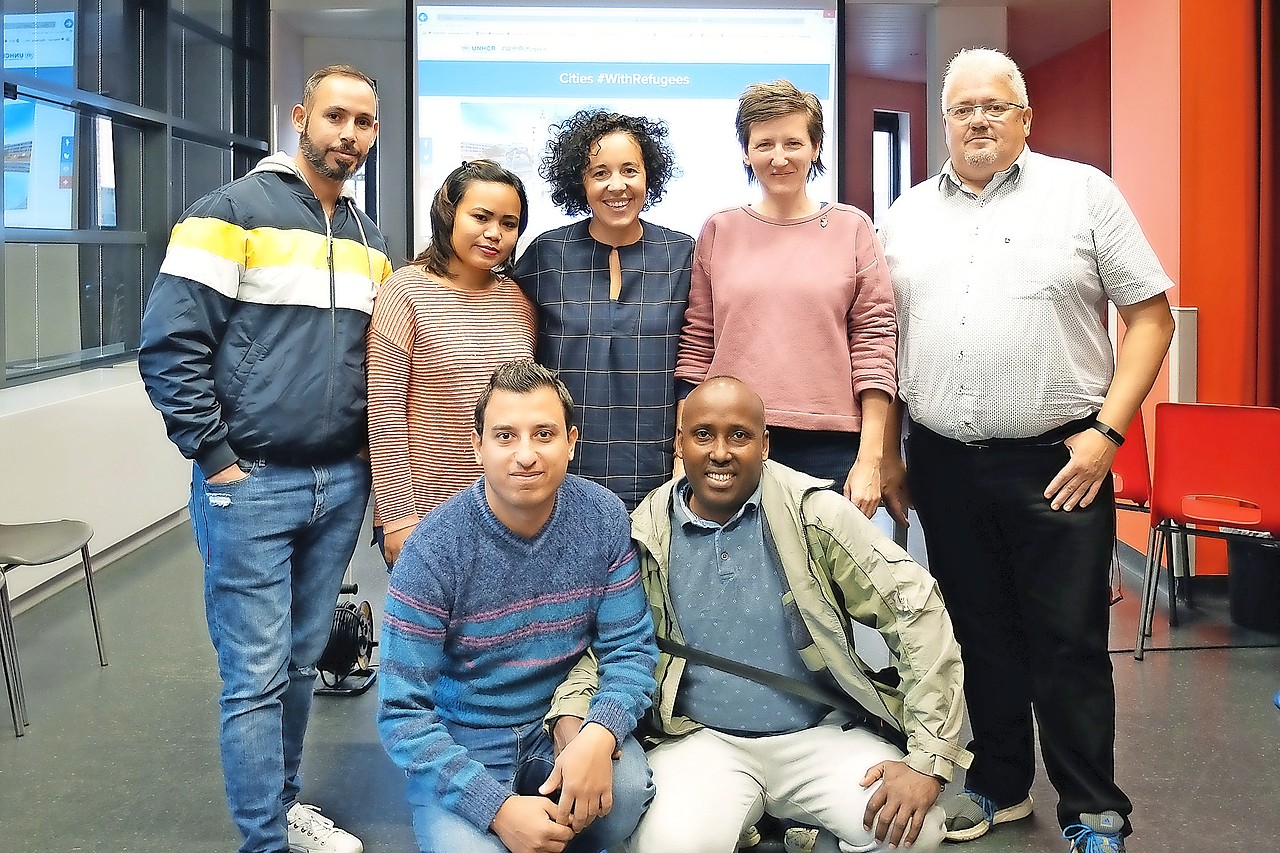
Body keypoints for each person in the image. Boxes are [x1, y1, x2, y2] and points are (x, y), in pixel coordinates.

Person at [879, 48, 1176, 853]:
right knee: (978, 633)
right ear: (945, 123)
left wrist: (1107, 434)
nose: (978, 119)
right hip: (942, 458)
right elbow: (884, 340)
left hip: (1061, 461)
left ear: (1025, 118)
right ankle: (1001, 785)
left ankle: (1092, 808)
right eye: (963, 108)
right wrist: (896, 450)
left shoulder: (1083, 193)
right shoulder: (904, 215)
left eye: (995, 106)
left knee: (1070, 639)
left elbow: (1152, 317)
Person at [551, 376, 972, 853]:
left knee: (913, 834)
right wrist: (572, 714)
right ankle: (757, 827)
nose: (720, 452)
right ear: (679, 442)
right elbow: (604, 641)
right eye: (703, 434)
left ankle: (801, 830)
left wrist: (927, 762)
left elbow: (914, 609)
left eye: (740, 435)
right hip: (701, 743)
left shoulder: (811, 512)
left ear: (765, 443)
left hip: (819, 736)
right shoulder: (643, 534)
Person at [138, 65, 391, 853]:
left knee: (300, 662)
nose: (348, 135)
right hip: (250, 482)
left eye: (364, 123)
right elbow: (168, 345)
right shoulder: (230, 213)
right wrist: (216, 457)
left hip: (338, 483)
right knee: (253, 677)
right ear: (299, 118)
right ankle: (263, 843)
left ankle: (281, 807)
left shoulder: (368, 238)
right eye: (335, 117)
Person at [377, 360, 659, 853]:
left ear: (572, 442)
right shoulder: (434, 549)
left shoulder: (603, 517)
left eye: (544, 434)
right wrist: (498, 810)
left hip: (559, 721)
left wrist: (600, 731)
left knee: (627, 796)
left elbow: (630, 650)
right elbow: (402, 713)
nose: (525, 455)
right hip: (465, 741)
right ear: (478, 444)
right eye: (505, 435)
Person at [675, 80, 896, 517]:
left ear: (815, 148)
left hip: (830, 448)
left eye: (793, 142)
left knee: (821, 581)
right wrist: (684, 446)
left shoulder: (852, 228)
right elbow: (698, 341)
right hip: (729, 441)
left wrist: (871, 458)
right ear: (746, 151)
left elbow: (874, 342)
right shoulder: (720, 229)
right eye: (764, 143)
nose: (779, 157)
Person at [514, 109, 694, 510]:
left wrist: (684, 454)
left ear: (650, 175)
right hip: (564, 465)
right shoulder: (548, 254)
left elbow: (697, 361)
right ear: (580, 182)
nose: (617, 185)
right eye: (600, 173)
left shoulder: (682, 254)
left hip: (659, 464)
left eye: (630, 170)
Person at [368, 159, 536, 565]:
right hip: (426, 511)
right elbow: (385, 409)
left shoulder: (518, 300)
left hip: (508, 509)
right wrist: (396, 516)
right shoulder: (406, 290)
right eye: (481, 217)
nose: (494, 233)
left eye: (509, 223)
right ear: (448, 213)